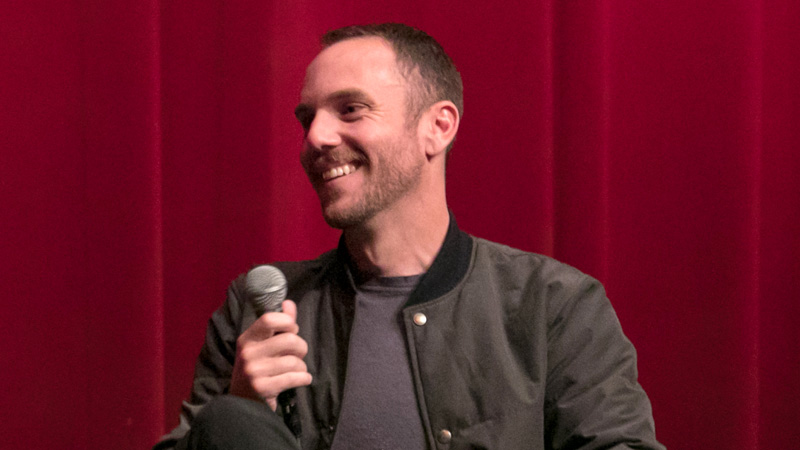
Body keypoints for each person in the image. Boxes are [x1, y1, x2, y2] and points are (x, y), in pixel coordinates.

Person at [155, 23, 665, 450]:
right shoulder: (259, 311)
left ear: (438, 127)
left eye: (350, 110)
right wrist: (243, 411)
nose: (316, 138)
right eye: (307, 119)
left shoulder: (553, 306)